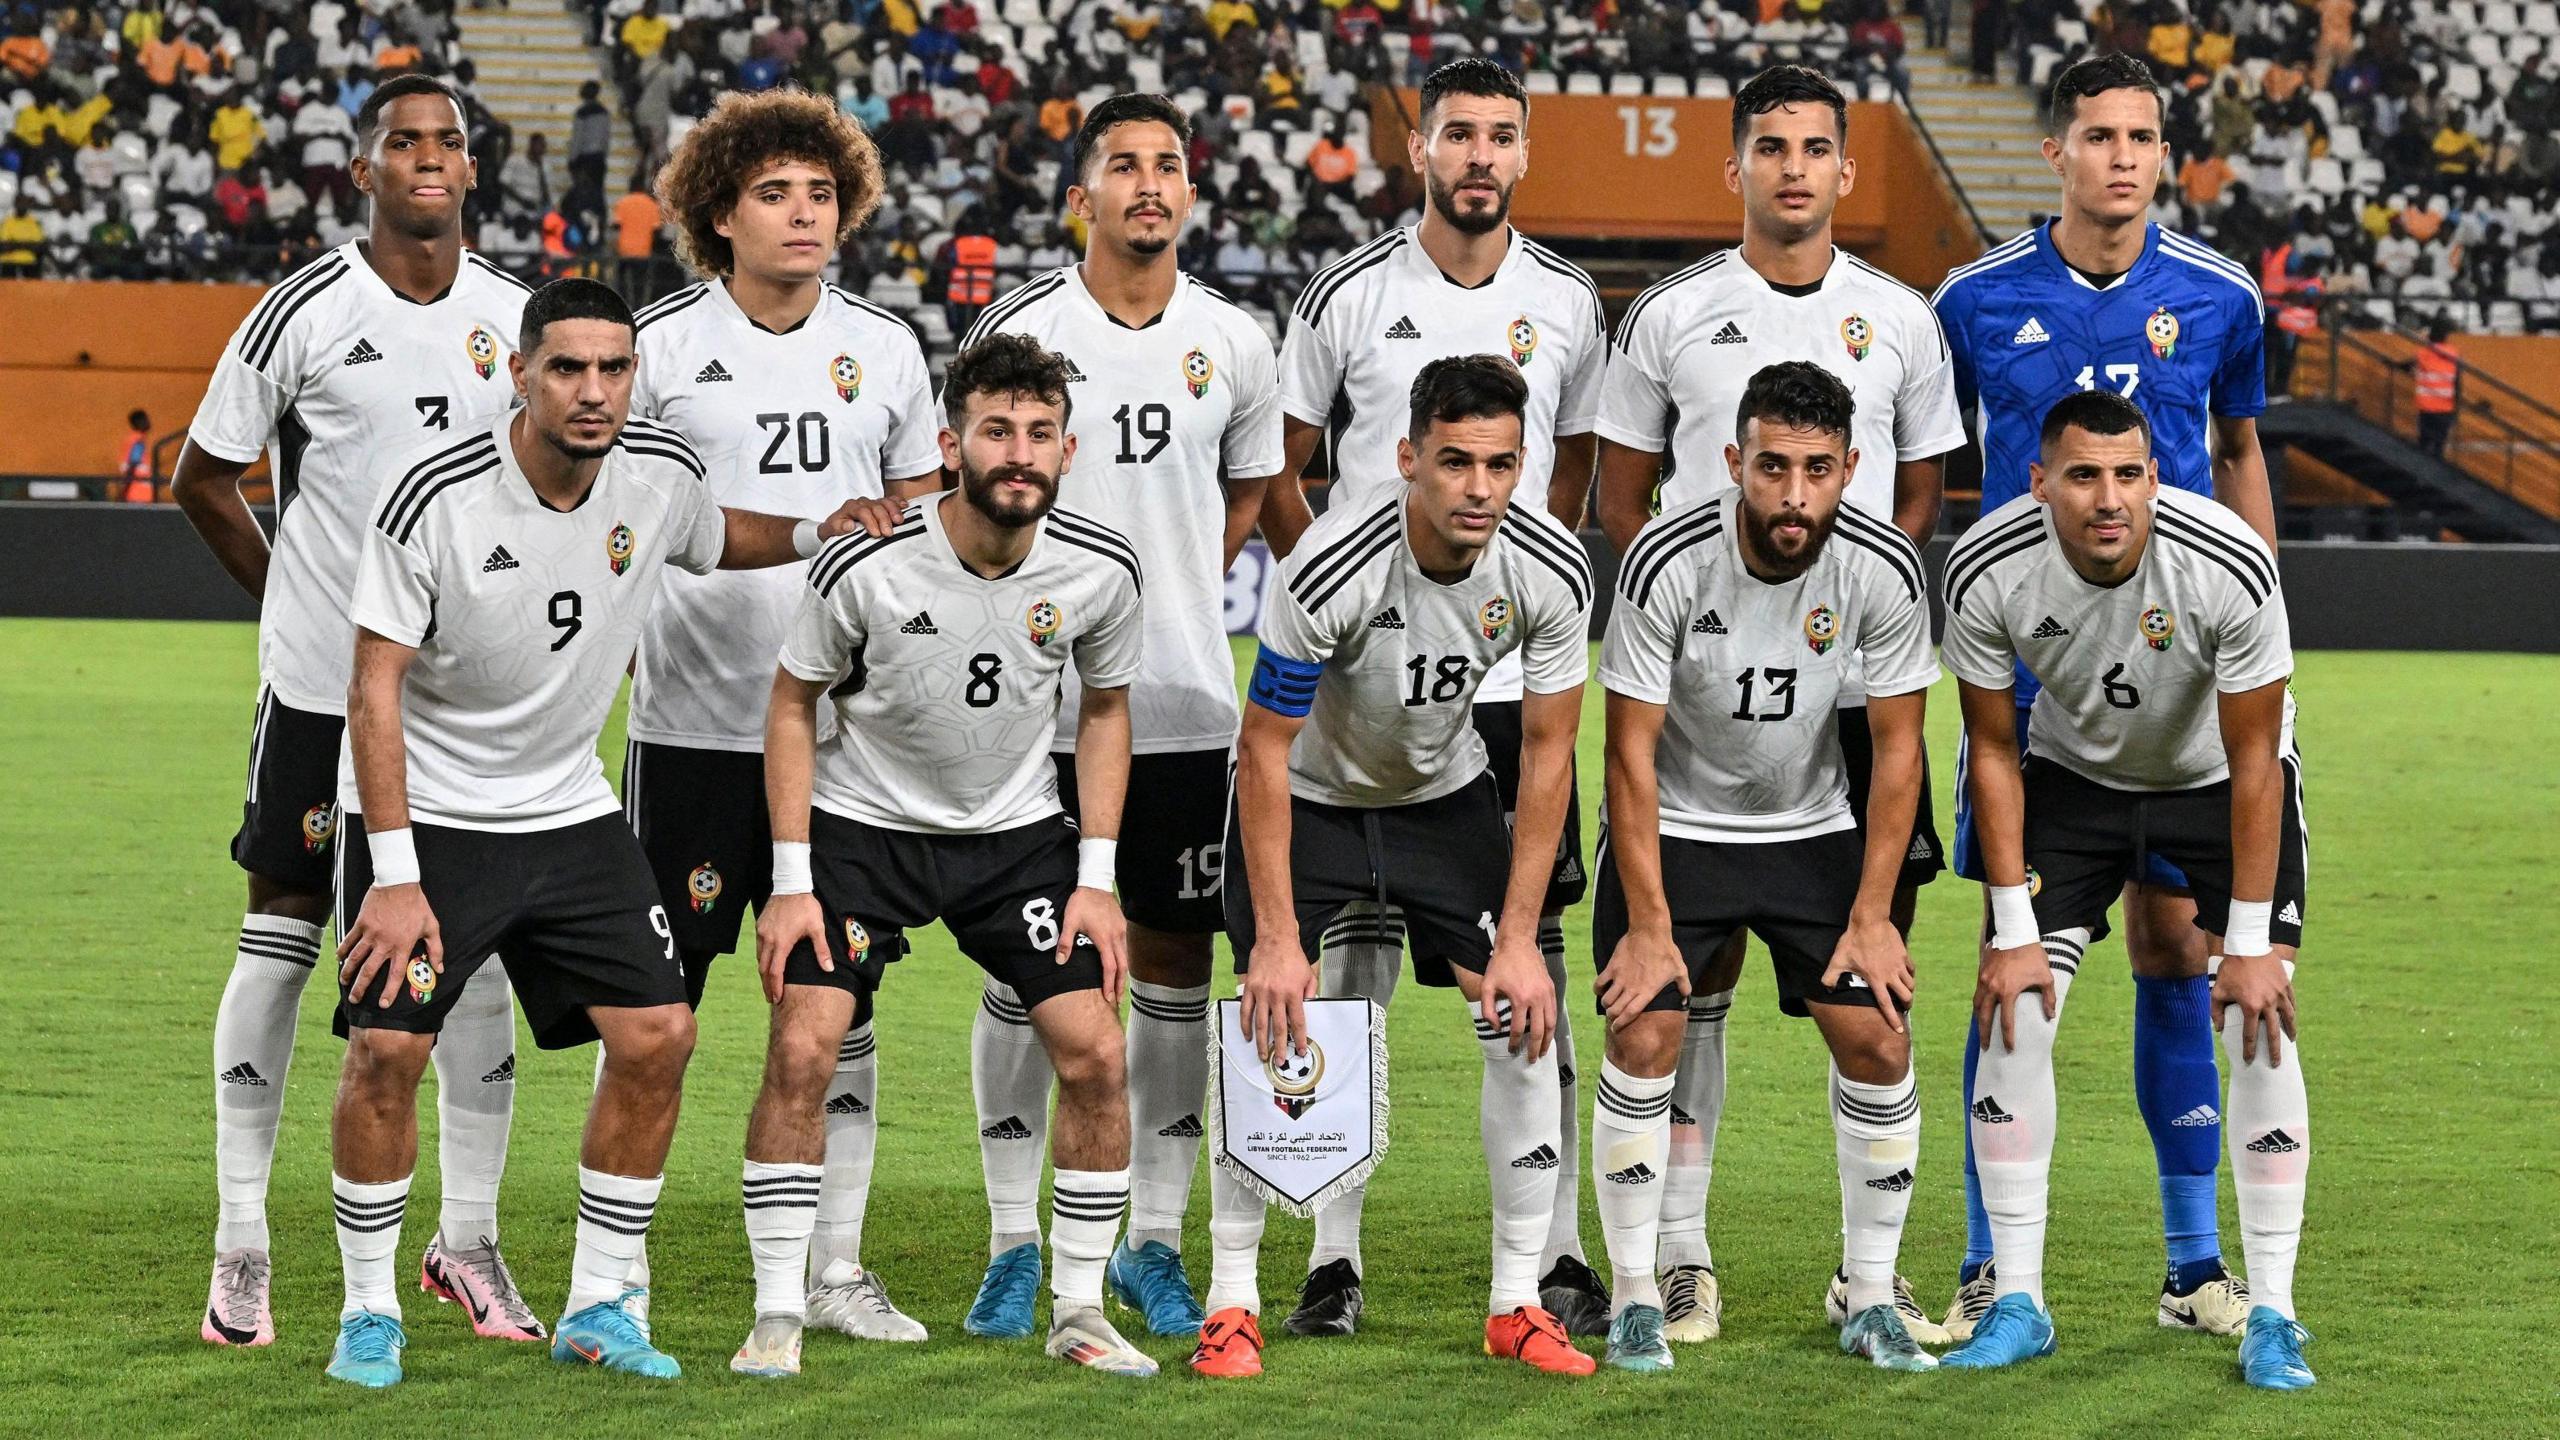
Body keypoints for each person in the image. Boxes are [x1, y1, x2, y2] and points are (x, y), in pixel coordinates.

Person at [323, 275, 865, 1389]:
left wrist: (821, 526)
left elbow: (715, 539)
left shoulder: (658, 473)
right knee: (386, 1050)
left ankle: (602, 1300)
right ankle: (368, 1307)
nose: (593, 390)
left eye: (614, 368)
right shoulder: (435, 494)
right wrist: (392, 875)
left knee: (660, 1036)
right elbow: (373, 687)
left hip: (568, 814)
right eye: (566, 367)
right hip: (431, 818)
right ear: (517, 374)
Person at [1594, 64, 1963, 1346]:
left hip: (1837, 729)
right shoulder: (1671, 315)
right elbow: (1619, 489)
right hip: (1694, 708)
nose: (1794, 167)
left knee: (1868, 1011)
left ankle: (1868, 1283)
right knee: (1669, 1008)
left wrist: (1853, 620)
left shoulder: (1903, 322)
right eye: (1770, 146)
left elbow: (1914, 497)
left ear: (1846, 171)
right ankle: (1666, 1268)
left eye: (1817, 147)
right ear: (1735, 164)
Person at [171, 73, 537, 1353]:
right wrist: (297, 603)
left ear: (472, 170)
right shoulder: (306, 310)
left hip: (466, 708)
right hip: (327, 695)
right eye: (404, 142)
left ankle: (472, 1242)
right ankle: (242, 1246)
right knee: (280, 927)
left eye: (449, 142)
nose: (429, 159)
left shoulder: (518, 317)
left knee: (472, 948)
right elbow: (204, 476)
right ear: (361, 168)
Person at [1257, 54, 1614, 1339]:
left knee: (1528, 958)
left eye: (1500, 137)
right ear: (1422, 151)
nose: (1478, 155)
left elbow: (1573, 467)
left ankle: (1557, 1248)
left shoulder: (1569, 300)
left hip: (1511, 664)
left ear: (1525, 157)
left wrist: (1498, 592)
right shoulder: (1349, 293)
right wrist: (1344, 589)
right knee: (1341, 958)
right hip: (1357, 665)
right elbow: (1282, 469)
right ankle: (1331, 1257)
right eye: (1456, 133)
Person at [1931, 51, 2275, 1342]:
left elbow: (2240, 458)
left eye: (2141, 135)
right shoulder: (1969, 300)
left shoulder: (2221, 295)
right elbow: (1933, 472)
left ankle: (2193, 1269)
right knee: (2011, 962)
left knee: (2177, 948)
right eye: (2097, 135)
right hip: (2030, 675)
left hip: (2185, 674)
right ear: (2055, 152)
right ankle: (1985, 1261)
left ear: (2161, 151)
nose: (2121, 157)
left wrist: (2268, 634)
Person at [736, 333, 1158, 1379]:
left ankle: (1076, 1311)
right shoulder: (866, 563)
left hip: (1013, 842)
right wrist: (792, 884)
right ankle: (780, 1313)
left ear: (1068, 450)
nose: (1019, 453)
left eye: (1040, 434)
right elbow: (792, 704)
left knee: (1099, 1054)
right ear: (951, 442)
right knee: (803, 1046)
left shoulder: (1101, 571)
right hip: (863, 830)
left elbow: (1106, 712)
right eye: (996, 431)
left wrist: (1096, 883)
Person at [950, 93, 1282, 1342]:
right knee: (1022, 966)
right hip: (1037, 711)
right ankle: (1010, 1243)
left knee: (1173, 970)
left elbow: (1243, 500)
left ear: (1191, 191)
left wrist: (1166, 589)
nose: (1150, 184)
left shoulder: (1233, 340)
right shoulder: (1021, 324)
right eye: (1124, 166)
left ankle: (1151, 1238)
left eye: (1170, 164)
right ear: (1079, 192)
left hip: (1188, 703)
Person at [618, 86, 945, 1342]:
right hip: (693, 732)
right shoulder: (654, 347)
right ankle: (620, 1271)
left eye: (821, 193)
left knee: (837, 1014)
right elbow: (624, 524)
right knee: (656, 1012)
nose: (803, 214)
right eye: (774, 194)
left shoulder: (890, 349)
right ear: (718, 210)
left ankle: (833, 1268)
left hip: (846, 743)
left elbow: (921, 526)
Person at [1202, 354, 1595, 1378]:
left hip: (1440, 799)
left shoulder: (1548, 568)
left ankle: (1517, 1300)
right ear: (1408, 457)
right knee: (1271, 1015)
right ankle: (1232, 1302)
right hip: (1317, 800)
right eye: (1455, 462)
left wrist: (1518, 940)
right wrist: (1278, 941)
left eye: (1501, 465)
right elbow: (1266, 751)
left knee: (1521, 1016)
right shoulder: (1333, 563)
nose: (1478, 487)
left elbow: (1550, 756)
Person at [1937, 389, 2315, 1392]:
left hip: (2213, 783)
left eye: (2127, 475)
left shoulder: (2226, 560)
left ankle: (2272, 1313)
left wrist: (2245, 942)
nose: (2109, 499)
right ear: (2038, 482)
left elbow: (2253, 760)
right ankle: (2016, 1300)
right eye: (2082, 476)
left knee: (2258, 1012)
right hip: (2075, 782)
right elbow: (1988, 744)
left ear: (2154, 475)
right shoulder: (1985, 566)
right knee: (2014, 1002)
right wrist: (2011, 925)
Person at [1592, 362, 1938, 1375]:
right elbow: (1626, 752)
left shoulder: (1879, 567)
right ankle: (1634, 1295)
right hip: (1682, 827)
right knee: (1645, 1026)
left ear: (1850, 468)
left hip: (1809, 828)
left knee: (1875, 1038)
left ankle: (1868, 1293)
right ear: (1734, 461)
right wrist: (1649, 926)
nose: (1795, 494)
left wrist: (1873, 913)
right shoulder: (1665, 560)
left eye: (1818, 470)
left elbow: (1901, 752)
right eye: (1774, 466)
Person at [2410, 313, 2459, 458]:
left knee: (2423, 444)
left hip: (2426, 407)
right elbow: (2457, 383)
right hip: (2445, 407)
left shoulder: (2423, 353)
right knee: (2439, 446)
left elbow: (2407, 366)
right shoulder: (2453, 353)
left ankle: (2420, 477)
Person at [119, 409, 155, 501]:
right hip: (137, 493)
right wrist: (125, 490)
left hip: (136, 492)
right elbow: (133, 464)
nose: (148, 422)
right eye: (145, 419)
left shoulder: (133, 439)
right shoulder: (138, 442)